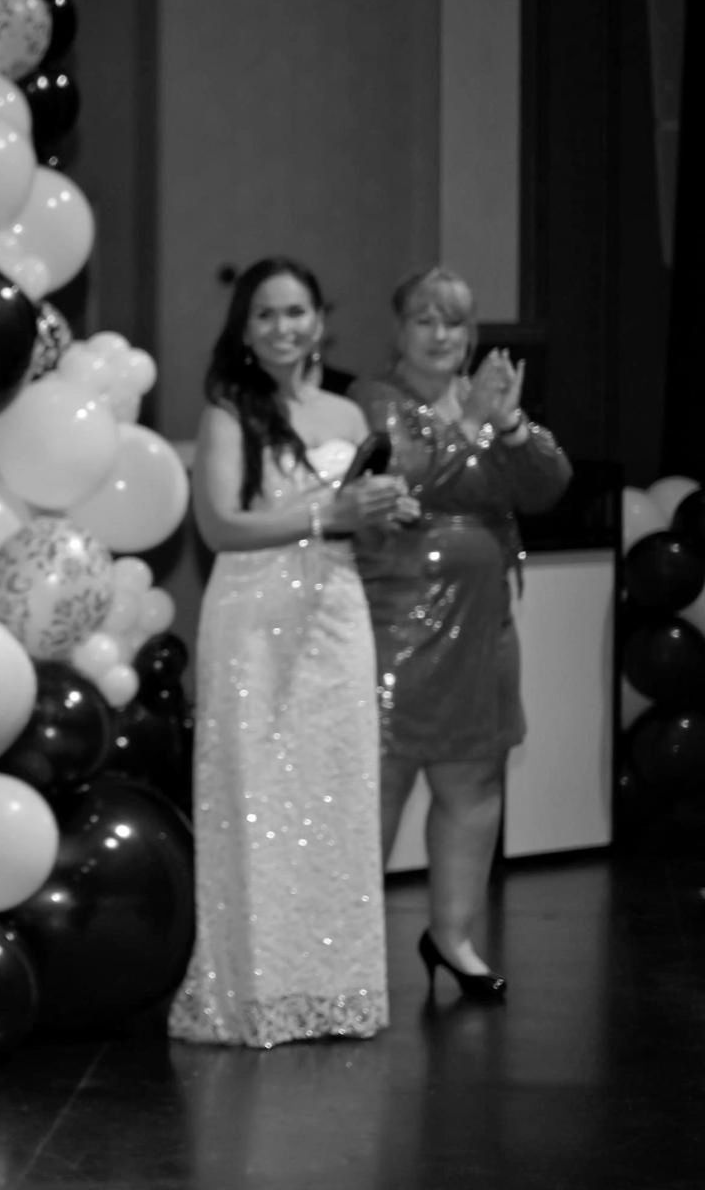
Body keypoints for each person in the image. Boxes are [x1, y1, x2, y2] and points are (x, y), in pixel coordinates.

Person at [167, 256, 410, 1048]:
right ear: (244, 329)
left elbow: (356, 522)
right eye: (265, 314)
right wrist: (326, 514)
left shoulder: (348, 412)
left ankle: (337, 987)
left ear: (320, 321)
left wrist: (382, 508)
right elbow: (220, 527)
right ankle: (257, 991)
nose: (283, 327)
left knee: (336, 793)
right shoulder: (228, 410)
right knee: (258, 799)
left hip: (337, 611)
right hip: (253, 615)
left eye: (296, 311)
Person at [353, 266, 572, 1001]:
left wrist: (509, 425)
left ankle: (453, 937)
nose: (441, 335)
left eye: (454, 322)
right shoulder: (375, 400)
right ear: (399, 331)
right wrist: (478, 422)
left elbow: (547, 484)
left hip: (484, 627)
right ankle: (348, 952)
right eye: (425, 320)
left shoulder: (484, 404)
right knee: (382, 783)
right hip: (400, 621)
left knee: (474, 783)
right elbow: (418, 476)